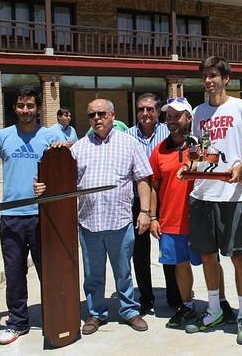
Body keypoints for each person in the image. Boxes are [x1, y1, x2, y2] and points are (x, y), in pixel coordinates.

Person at [35, 98, 152, 334]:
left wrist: (145, 212)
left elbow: (142, 180)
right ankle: (96, 313)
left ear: (112, 115)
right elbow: (62, 181)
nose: (97, 118)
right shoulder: (78, 148)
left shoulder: (129, 144)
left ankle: (129, 310)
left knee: (123, 273)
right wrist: (44, 182)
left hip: (119, 222)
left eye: (101, 114)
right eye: (92, 115)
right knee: (93, 275)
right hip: (89, 223)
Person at [181, 56, 242, 345]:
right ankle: (214, 309)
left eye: (214, 75)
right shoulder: (198, 111)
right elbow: (197, 153)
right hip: (202, 193)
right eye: (205, 76)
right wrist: (187, 168)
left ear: (226, 79)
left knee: (238, 256)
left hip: (232, 196)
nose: (208, 80)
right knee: (207, 256)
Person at [0, 86, 61, 345]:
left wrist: (62, 148)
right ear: (14, 108)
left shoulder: (50, 135)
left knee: (48, 271)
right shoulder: (2, 136)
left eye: (30, 106)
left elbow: (65, 168)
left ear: (38, 108)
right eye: (21, 106)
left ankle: (55, 316)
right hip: (12, 217)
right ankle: (17, 322)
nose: (25, 110)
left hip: (41, 216)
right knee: (14, 272)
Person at [149, 97, 235, 329]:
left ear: (189, 118)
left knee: (212, 261)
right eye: (169, 116)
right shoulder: (159, 150)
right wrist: (153, 217)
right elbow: (154, 186)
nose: (172, 120)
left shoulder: (203, 146)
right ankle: (187, 306)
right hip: (171, 219)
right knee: (180, 264)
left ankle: (221, 304)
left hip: (201, 215)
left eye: (178, 116)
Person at [127, 93, 173, 314]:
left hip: (165, 199)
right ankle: (146, 297)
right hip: (137, 202)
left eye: (149, 109)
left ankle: (175, 295)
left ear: (157, 112)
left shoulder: (168, 133)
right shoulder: (127, 135)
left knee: (169, 248)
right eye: (141, 109)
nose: (145, 114)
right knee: (140, 252)